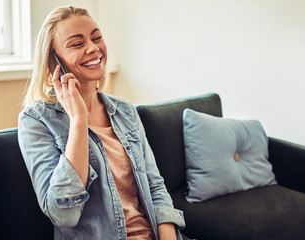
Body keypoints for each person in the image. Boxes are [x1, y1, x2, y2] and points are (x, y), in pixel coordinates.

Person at [18, 5, 185, 240]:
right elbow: (64, 214)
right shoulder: (36, 120)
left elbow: (155, 186)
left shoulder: (125, 110)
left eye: (96, 38)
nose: (93, 48)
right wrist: (78, 121)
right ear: (53, 59)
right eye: (77, 44)